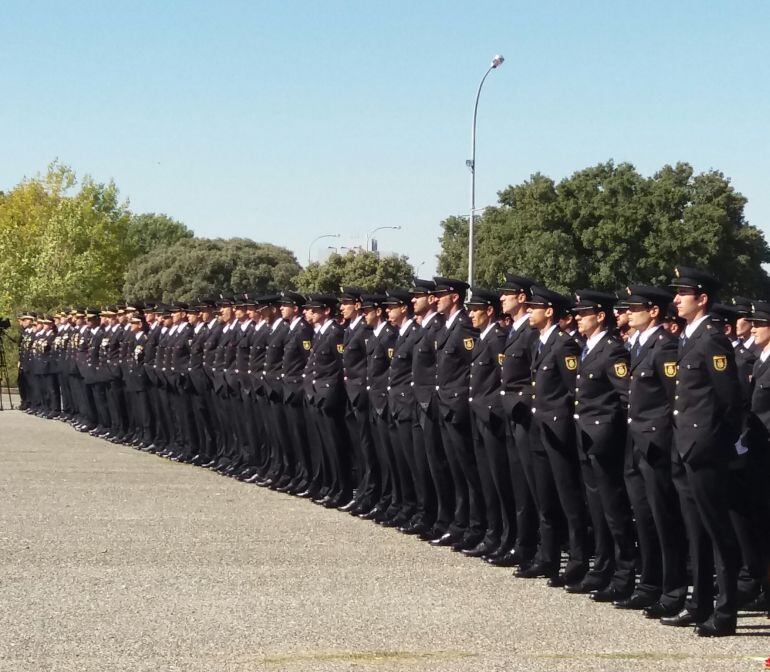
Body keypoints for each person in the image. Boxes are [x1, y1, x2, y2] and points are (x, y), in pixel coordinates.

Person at [665, 266, 741, 637]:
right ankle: (700, 605)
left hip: (704, 448)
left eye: (683, 293)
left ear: (702, 299)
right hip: (686, 447)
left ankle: (725, 612)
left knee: (717, 530)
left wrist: (713, 442)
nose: (675, 299)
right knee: (696, 530)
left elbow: (730, 400)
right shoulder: (688, 337)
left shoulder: (711, 338)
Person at [621, 285, 688, 618]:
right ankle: (649, 583)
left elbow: (674, 401)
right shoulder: (638, 345)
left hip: (655, 444)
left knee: (664, 519)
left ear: (654, 312)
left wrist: (660, 440)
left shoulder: (665, 347)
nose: (629, 313)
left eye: (636, 308)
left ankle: (673, 589)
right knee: (644, 518)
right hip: (636, 443)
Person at [518, 286, 588, 588]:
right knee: (544, 496)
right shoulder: (540, 342)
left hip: (557, 430)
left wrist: (562, 421)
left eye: (535, 307)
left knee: (568, 499)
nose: (529, 311)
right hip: (539, 427)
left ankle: (577, 560)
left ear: (549, 311)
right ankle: (547, 557)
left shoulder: (564, 344)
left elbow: (575, 391)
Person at [570, 290, 636, 602]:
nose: (578, 319)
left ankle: (623, 572)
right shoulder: (587, 348)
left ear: (600, 316)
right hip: (586, 435)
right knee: (596, 509)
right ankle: (603, 565)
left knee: (613, 509)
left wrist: (613, 431)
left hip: (604, 438)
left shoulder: (612, 350)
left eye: (584, 314)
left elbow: (626, 398)